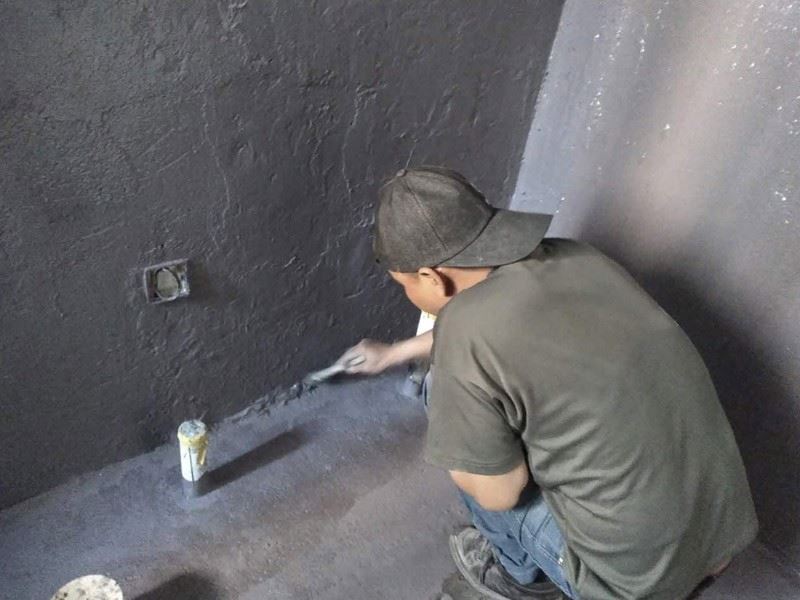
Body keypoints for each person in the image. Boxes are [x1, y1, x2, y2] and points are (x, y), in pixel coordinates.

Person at [337, 167, 758, 600]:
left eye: (404, 284)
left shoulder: (466, 334)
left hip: (633, 583)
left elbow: (499, 495)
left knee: (451, 414)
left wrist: (458, 444)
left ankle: (519, 579)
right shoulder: (576, 257)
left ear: (431, 277)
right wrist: (394, 353)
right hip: (722, 536)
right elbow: (486, 330)